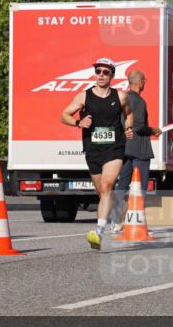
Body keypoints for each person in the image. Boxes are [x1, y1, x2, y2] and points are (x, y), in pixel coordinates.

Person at [60, 57, 134, 250]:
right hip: (93, 149)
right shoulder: (84, 96)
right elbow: (64, 115)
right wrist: (78, 123)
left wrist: (128, 126)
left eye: (105, 72)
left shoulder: (121, 97)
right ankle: (114, 210)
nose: (101, 75)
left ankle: (99, 231)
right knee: (102, 191)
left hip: (114, 147)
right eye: (98, 71)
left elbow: (129, 113)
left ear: (112, 75)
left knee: (108, 185)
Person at [111, 70, 161, 233]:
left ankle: (115, 221)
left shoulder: (122, 98)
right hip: (139, 149)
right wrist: (153, 130)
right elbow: (139, 126)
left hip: (124, 148)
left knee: (122, 184)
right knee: (141, 186)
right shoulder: (138, 101)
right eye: (144, 80)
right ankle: (138, 221)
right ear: (139, 82)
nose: (145, 83)